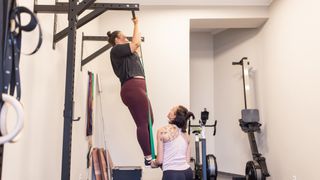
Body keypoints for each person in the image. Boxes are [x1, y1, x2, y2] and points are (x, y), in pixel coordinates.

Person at [107, 16, 154, 167]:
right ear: (117, 39)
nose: (126, 38)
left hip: (138, 87)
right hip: (131, 87)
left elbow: (136, 45)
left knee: (149, 120)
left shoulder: (129, 53)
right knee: (142, 122)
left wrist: (136, 26)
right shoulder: (116, 50)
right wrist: (137, 23)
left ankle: (150, 152)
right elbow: (136, 43)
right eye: (124, 36)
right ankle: (148, 157)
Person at [151, 105, 194, 180]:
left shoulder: (162, 131)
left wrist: (153, 163)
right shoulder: (187, 135)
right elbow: (187, 160)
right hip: (187, 173)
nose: (170, 110)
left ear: (174, 116)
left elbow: (159, 160)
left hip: (172, 174)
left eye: (172, 109)